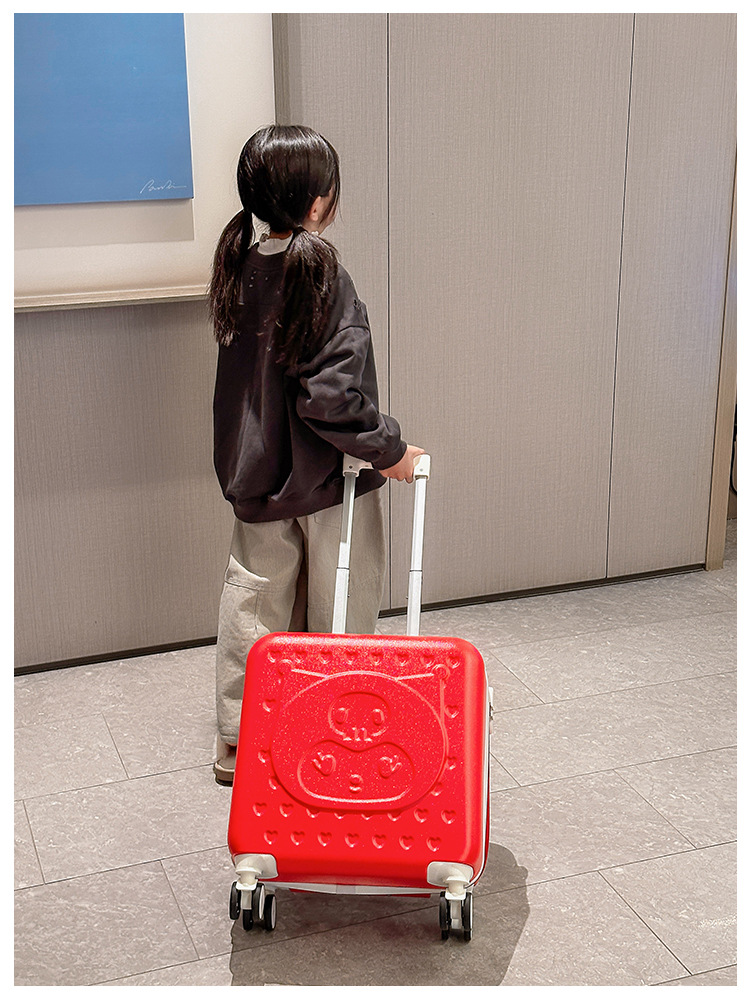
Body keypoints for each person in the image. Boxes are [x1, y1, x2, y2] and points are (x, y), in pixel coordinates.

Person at [208, 124, 424, 784]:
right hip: (332, 481)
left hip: (256, 476)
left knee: (255, 607)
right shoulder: (323, 274)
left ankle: (241, 741)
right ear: (319, 201)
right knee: (342, 610)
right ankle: (336, 729)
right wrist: (388, 451)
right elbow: (330, 398)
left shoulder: (240, 266)